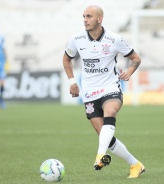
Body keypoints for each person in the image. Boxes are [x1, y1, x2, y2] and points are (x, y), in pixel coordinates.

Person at [62, 5, 145, 178]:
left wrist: (128, 73)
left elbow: (135, 58)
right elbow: (66, 58)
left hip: (110, 87)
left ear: (99, 19)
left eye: (89, 16)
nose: (85, 19)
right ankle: (135, 164)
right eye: (84, 16)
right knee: (104, 135)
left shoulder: (114, 39)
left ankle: (99, 156)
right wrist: (72, 82)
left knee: (111, 111)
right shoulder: (76, 39)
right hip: (90, 92)